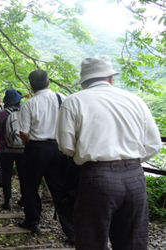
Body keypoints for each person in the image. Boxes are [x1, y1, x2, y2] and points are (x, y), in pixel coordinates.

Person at [56, 55, 162, 250]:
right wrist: (132, 160)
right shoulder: (135, 100)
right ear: (111, 78)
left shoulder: (74, 101)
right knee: (132, 243)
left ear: (84, 81)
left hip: (97, 176)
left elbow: (66, 146)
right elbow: (154, 144)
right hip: (135, 176)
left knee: (92, 240)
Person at [18, 69, 75, 243]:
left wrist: (30, 146)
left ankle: (33, 220)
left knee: (30, 185)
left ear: (31, 85)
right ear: (48, 82)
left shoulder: (29, 104)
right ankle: (72, 231)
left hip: (36, 148)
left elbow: (23, 133)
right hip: (59, 148)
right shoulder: (62, 99)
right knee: (60, 189)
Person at [0, 89, 26, 210]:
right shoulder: (24, 111)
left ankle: (7, 201)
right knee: (23, 175)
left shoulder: (1, 114)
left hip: (5, 149)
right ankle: (24, 199)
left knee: (6, 175)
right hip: (23, 149)